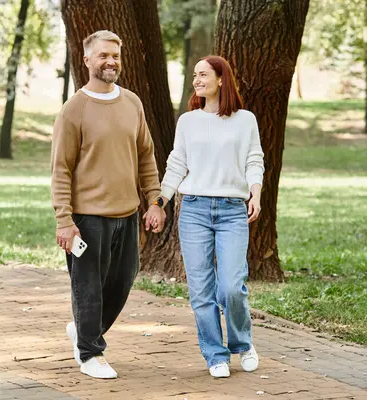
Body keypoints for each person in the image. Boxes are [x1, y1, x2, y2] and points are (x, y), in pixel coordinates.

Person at [50, 30, 166, 379]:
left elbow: (145, 155)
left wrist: (154, 200)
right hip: (87, 218)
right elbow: (60, 169)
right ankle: (89, 353)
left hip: (127, 214)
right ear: (86, 60)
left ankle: (84, 329)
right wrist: (64, 220)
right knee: (87, 286)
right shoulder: (74, 110)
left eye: (115, 55)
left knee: (121, 283)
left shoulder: (132, 103)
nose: (110, 61)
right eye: (103, 55)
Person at [153, 55, 264, 378]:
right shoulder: (188, 121)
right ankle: (215, 354)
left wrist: (255, 193)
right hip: (195, 210)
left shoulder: (245, 120)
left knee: (231, 286)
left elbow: (254, 160)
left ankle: (242, 343)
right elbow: (177, 164)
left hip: (232, 210)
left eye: (203, 75)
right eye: (194, 75)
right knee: (201, 290)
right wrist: (160, 201)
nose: (196, 80)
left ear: (220, 79)